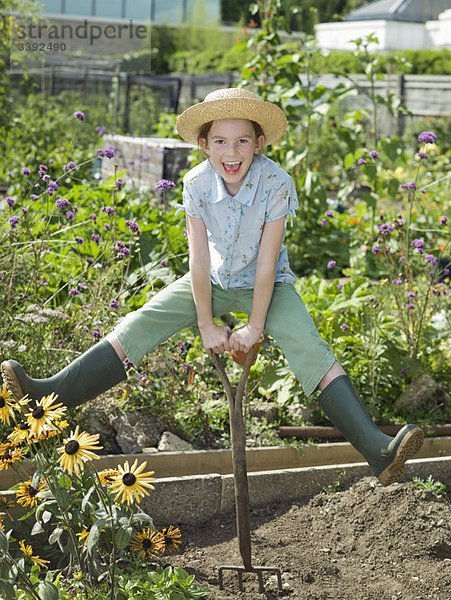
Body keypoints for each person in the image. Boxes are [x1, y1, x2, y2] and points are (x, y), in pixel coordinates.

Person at [1, 88, 424, 486]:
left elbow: (267, 262)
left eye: (242, 141)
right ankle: (50, 398)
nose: (231, 152)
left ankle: (378, 451)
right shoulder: (196, 184)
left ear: (259, 143)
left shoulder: (276, 183)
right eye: (220, 141)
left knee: (309, 347)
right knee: (141, 322)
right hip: (215, 280)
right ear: (204, 145)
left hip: (269, 285)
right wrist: (206, 324)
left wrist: (254, 328)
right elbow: (199, 259)